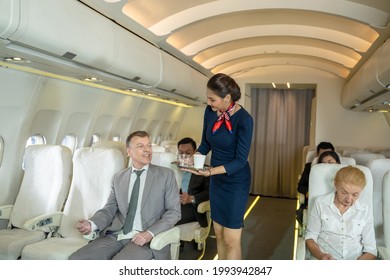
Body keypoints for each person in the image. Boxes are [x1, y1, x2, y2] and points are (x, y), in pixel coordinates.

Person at [69, 131, 180, 260]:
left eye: (149, 145)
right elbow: (110, 209)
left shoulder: (166, 175)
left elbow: (174, 212)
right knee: (76, 259)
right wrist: (91, 224)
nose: (147, 150)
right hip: (117, 234)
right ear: (129, 152)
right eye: (140, 146)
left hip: (146, 239)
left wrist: (149, 234)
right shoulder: (119, 178)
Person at [183, 73, 253, 260]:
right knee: (219, 234)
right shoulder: (209, 112)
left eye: (212, 99)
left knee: (231, 239)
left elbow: (240, 160)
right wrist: (193, 158)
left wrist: (210, 171)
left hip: (236, 180)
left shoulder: (244, 120)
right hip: (216, 180)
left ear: (227, 98)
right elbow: (206, 143)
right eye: (208, 97)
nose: (209, 102)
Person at [305, 165, 377, 260]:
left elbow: (371, 250)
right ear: (335, 185)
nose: (349, 200)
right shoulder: (321, 203)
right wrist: (321, 255)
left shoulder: (364, 210)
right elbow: (310, 237)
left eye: (355, 195)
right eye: (344, 192)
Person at [296, 142, 335, 224]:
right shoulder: (309, 167)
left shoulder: (340, 169)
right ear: (317, 155)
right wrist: (309, 192)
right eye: (323, 154)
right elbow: (300, 187)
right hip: (313, 201)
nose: (326, 157)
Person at [175, 137, 210, 227]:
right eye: (181, 153)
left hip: (192, 207)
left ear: (195, 152)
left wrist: (191, 198)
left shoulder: (204, 170)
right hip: (173, 204)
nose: (184, 156)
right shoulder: (173, 168)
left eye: (188, 153)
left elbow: (209, 192)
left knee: (169, 218)